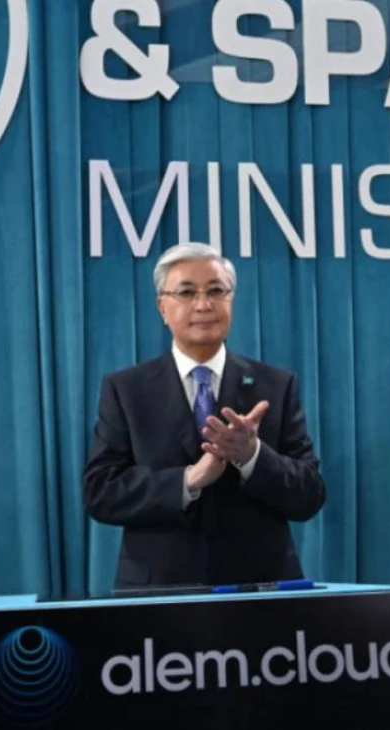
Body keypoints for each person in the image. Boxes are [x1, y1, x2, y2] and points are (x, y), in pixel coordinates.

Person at [82, 242, 326, 589]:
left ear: (231, 300)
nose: (203, 305)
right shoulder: (126, 389)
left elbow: (309, 497)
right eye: (186, 292)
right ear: (162, 307)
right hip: (158, 592)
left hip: (260, 591)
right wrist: (189, 480)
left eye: (216, 291)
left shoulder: (275, 386)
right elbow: (101, 493)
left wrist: (252, 456)